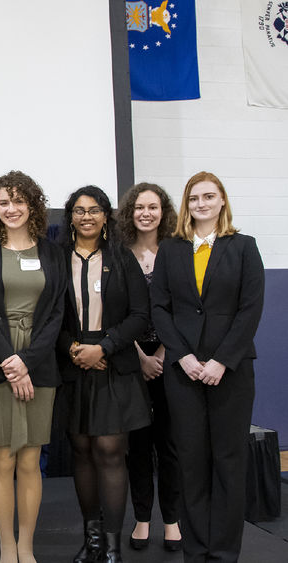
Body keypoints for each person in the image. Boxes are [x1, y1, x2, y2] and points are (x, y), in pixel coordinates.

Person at [151, 171, 264, 563]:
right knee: (192, 462)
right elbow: (159, 309)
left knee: (228, 463)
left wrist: (220, 361)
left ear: (222, 201)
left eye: (208, 197)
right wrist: (182, 356)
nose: (201, 203)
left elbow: (250, 309)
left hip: (229, 372)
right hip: (182, 373)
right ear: (187, 204)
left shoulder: (244, 247)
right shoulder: (171, 249)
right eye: (194, 198)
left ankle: (223, 552)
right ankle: (196, 550)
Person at [0, 172, 66, 563]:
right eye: (4, 202)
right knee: (2, 457)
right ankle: (7, 548)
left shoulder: (53, 253)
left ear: (33, 205)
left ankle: (26, 547)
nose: (11, 209)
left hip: (39, 362)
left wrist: (28, 362)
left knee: (29, 459)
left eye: (19, 201)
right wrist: (12, 362)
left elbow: (56, 313)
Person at [58, 185, 151, 563]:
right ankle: (92, 542)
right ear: (70, 217)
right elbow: (48, 316)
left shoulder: (122, 257)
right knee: (81, 450)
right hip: (72, 361)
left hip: (115, 363)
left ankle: (112, 547)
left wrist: (105, 347)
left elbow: (140, 316)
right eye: (79, 211)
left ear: (106, 216)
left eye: (94, 210)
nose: (87, 217)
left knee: (110, 450)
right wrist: (74, 349)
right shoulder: (57, 257)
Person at [115, 183, 182, 552]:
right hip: (132, 358)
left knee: (170, 445)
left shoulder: (176, 252)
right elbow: (118, 311)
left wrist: (163, 354)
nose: (146, 213)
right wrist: (140, 355)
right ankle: (142, 519)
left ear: (163, 211)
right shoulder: (121, 254)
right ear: (130, 212)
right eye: (139, 207)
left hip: (172, 358)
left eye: (153, 207)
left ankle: (172, 521)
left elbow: (183, 308)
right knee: (137, 444)